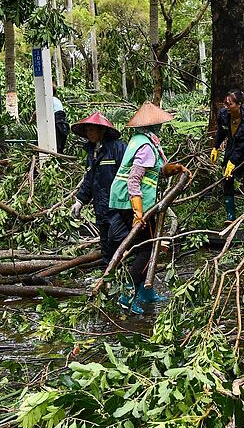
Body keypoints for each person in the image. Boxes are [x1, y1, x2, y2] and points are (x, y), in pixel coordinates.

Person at [107, 102, 189, 315]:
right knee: (146, 250)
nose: (161, 127)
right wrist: (138, 212)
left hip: (127, 200)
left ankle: (144, 292)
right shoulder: (145, 146)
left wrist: (174, 168)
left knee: (146, 248)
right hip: (132, 202)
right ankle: (128, 294)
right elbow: (134, 180)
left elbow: (154, 172)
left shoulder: (140, 141)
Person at [70, 112, 126, 264]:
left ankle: (125, 272)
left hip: (118, 207)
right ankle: (109, 280)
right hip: (100, 207)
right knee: (106, 245)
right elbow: (90, 179)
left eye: (91, 130)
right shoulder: (92, 152)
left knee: (117, 238)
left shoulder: (118, 148)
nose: (89, 133)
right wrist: (80, 201)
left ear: (102, 130)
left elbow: (129, 176)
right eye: (87, 131)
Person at [211, 90, 244, 224]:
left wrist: (232, 162)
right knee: (227, 179)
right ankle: (230, 214)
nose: (226, 106)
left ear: (239, 104)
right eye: (225, 103)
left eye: (230, 104)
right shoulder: (224, 114)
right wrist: (216, 146)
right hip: (232, 149)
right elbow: (221, 131)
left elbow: (242, 144)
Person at [52, 86, 70, 154]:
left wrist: (31, 121)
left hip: (56, 123)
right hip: (62, 124)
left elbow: (37, 112)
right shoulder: (57, 100)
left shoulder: (48, 100)